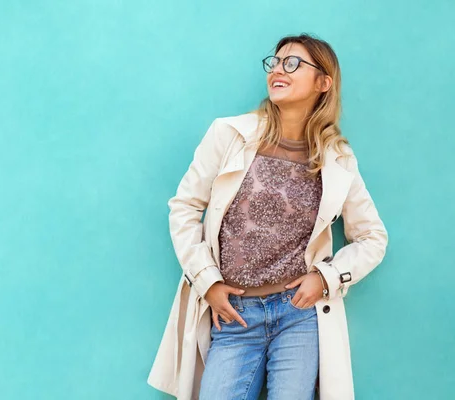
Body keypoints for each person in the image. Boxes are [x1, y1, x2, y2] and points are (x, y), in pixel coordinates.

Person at [147, 33, 388, 400]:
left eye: (293, 64)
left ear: (323, 83)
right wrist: (207, 282)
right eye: (274, 62)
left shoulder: (337, 158)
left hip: (299, 315)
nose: (278, 70)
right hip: (234, 315)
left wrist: (326, 278)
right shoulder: (229, 134)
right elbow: (184, 206)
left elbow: (373, 237)